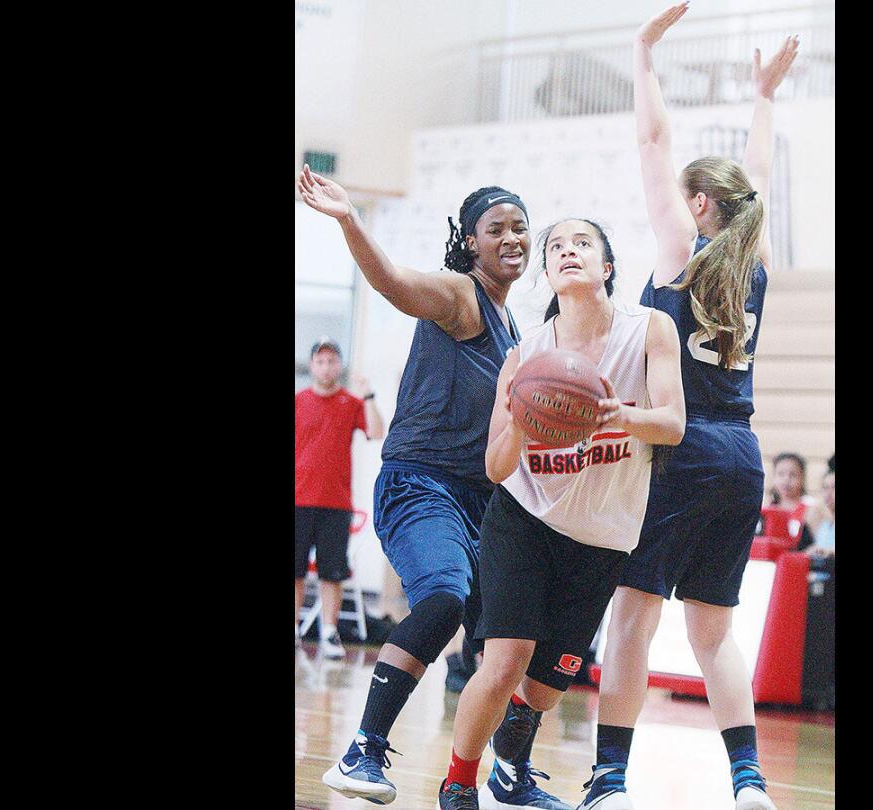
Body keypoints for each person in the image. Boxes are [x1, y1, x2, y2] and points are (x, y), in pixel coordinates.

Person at [299, 168, 568, 808]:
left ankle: (499, 774)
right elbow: (392, 283)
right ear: (470, 243)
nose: (512, 238)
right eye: (495, 228)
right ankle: (362, 750)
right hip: (421, 482)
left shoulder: (512, 331)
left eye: (520, 228)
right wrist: (348, 219)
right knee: (444, 597)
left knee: (516, 641)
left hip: (481, 501)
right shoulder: (460, 294)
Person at [588, 6, 799, 810]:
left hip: (680, 445)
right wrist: (764, 99)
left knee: (635, 619)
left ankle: (609, 779)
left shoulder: (682, 255)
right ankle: (748, 782)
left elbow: (653, 144)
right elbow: (758, 180)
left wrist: (642, 52)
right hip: (742, 454)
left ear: (700, 207)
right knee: (714, 633)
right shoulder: (760, 260)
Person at [435, 218, 685, 810]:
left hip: (603, 533)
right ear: (547, 274)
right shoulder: (526, 356)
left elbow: (672, 425)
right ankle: (459, 782)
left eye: (582, 243)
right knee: (505, 663)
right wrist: (522, 421)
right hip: (524, 519)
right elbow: (497, 467)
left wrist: (618, 415)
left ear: (607, 266)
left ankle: (510, 769)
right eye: (555, 248)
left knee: (547, 686)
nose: (567, 251)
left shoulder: (650, 329)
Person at [296, 336, 384, 658]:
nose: (326, 366)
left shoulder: (351, 402)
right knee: (296, 570)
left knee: (332, 572)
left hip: (336, 503)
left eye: (332, 360)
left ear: (339, 365)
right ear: (312, 365)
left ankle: (329, 633)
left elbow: (376, 432)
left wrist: (369, 395)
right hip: (299, 499)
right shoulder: (299, 401)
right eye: (320, 360)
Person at [763, 452, 811, 548]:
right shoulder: (767, 510)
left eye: (793, 475)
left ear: (802, 478)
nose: (786, 479)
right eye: (781, 474)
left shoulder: (811, 507)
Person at [804, 468, 834, 558]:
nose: (829, 493)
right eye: (825, 488)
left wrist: (828, 552)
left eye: (834, 487)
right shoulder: (823, 524)